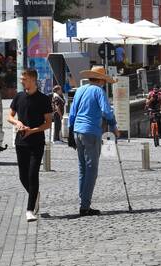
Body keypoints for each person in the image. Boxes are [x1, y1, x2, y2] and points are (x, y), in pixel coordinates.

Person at [65, 66, 117, 217]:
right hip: (91, 132)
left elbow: (72, 112)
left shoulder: (80, 90)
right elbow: (107, 111)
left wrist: (70, 132)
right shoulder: (99, 91)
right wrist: (113, 125)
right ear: (101, 79)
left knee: (82, 168)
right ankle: (85, 206)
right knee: (92, 170)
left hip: (77, 131)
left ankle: (83, 200)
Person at [8, 69, 54, 222]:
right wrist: (18, 122)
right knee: (23, 176)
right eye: (22, 78)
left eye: (25, 78)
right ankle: (34, 195)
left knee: (33, 174)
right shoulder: (19, 96)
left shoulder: (43, 99)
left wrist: (32, 130)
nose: (22, 81)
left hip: (36, 142)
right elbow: (10, 116)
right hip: (21, 141)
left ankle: (29, 210)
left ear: (33, 80)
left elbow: (48, 123)